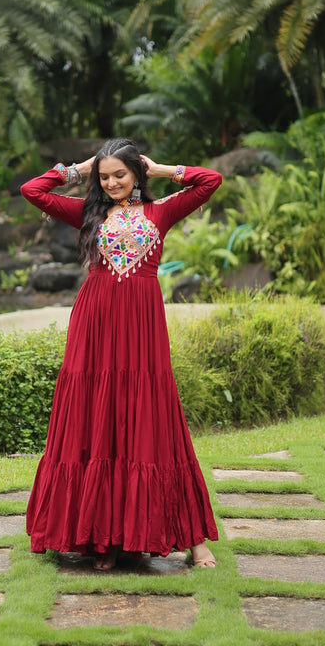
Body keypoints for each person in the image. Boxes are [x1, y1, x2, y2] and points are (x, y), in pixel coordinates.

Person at [21, 138, 222, 570]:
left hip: (142, 327)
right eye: (105, 176)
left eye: (120, 175)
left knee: (152, 418)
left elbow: (210, 181)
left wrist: (164, 169)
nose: (111, 183)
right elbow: (33, 190)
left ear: (136, 174)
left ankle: (192, 539)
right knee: (97, 417)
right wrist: (79, 168)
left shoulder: (160, 211)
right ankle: (101, 539)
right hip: (95, 325)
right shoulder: (87, 213)